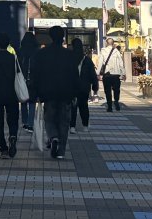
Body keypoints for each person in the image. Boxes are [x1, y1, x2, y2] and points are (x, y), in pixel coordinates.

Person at [32, 25, 82, 159]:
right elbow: (75, 75)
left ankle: (53, 136)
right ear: (63, 38)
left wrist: (36, 92)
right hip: (66, 92)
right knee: (64, 121)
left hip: (48, 92)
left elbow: (36, 75)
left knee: (50, 118)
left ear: (50, 37)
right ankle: (61, 152)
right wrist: (75, 93)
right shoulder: (69, 55)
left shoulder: (42, 54)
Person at [17, 27, 41, 131]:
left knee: (23, 100)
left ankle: (24, 122)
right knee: (32, 102)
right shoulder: (37, 52)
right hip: (34, 80)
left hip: (22, 80)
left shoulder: (20, 51)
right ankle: (30, 124)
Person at [73, 37, 98, 130]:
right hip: (84, 86)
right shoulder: (87, 59)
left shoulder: (70, 58)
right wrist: (95, 86)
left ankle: (72, 126)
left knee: (73, 106)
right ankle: (85, 125)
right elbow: (92, 74)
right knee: (84, 106)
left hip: (73, 86)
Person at [98, 38, 126, 111]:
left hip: (107, 74)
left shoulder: (103, 51)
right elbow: (121, 63)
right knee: (116, 89)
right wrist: (123, 73)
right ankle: (116, 101)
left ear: (106, 43)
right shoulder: (116, 51)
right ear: (113, 43)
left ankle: (109, 106)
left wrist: (97, 73)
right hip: (116, 74)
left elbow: (100, 62)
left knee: (107, 91)